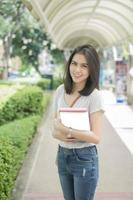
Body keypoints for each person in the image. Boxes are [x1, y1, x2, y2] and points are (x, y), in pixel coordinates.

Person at [52, 44, 104, 200]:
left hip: (84, 157)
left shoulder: (94, 96)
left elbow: (96, 137)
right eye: (74, 63)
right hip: (62, 154)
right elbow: (53, 130)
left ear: (92, 69)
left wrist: (67, 131)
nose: (77, 70)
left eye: (84, 66)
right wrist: (61, 136)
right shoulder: (60, 91)